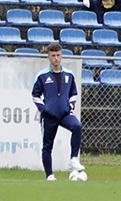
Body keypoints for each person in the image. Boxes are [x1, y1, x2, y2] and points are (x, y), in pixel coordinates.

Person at [31, 42, 84, 180]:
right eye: (53, 55)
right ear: (48, 56)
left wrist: (70, 106)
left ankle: (73, 159)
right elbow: (35, 95)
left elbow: (74, 93)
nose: (56, 58)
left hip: (65, 113)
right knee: (47, 145)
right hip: (49, 116)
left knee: (77, 126)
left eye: (58, 55)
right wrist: (44, 109)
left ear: (61, 56)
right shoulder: (42, 76)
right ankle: (49, 175)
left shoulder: (69, 75)